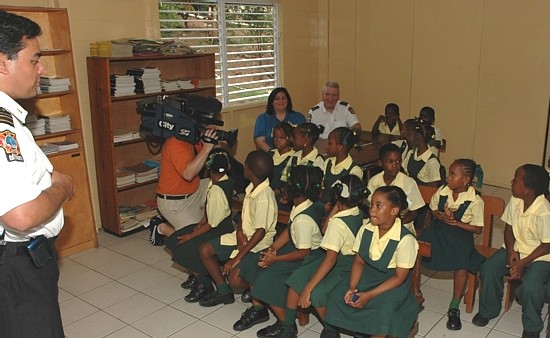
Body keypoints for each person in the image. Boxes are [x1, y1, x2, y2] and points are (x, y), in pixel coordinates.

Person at [0, 11, 76, 337]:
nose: (42, 69)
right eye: (35, 60)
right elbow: (20, 215)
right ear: (3, 63)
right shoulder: (3, 128)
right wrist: (63, 188)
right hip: (17, 267)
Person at [236, 166, 325, 337]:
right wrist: (273, 248)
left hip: (309, 259)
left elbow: (304, 253)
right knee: (257, 263)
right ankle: (259, 310)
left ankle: (287, 326)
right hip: (298, 250)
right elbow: (289, 229)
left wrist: (275, 260)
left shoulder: (303, 220)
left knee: (266, 278)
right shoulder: (303, 204)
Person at [324, 186, 419, 338]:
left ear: (394, 211)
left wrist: (369, 295)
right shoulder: (366, 229)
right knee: (337, 296)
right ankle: (359, 332)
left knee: (381, 311)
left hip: (391, 283)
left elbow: (399, 277)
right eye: (372, 204)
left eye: (378, 206)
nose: (372, 210)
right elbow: (359, 261)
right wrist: (352, 287)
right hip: (368, 276)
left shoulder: (405, 239)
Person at [281, 175, 366, 338]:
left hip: (343, 265)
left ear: (336, 196)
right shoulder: (358, 212)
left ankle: (330, 330)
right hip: (337, 258)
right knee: (298, 277)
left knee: (316, 294)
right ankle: (289, 326)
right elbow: (325, 229)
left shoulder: (338, 224)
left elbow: (331, 259)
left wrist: (307, 289)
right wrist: (338, 206)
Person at [472, 164, 550, 338]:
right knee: (488, 269)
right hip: (516, 248)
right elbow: (508, 228)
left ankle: (532, 326)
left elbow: (547, 245)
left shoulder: (544, 211)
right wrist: (510, 252)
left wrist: (522, 263)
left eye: (516, 180)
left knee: (531, 286)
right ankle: (489, 309)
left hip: (541, 256)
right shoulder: (515, 200)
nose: (511, 182)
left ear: (527, 190)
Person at [197, 150, 278, 308]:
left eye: (246, 165)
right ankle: (223, 291)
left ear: (252, 172)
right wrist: (240, 232)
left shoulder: (264, 196)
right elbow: (243, 214)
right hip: (243, 237)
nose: (244, 167)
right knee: (205, 249)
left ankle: (253, 284)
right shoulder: (251, 187)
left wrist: (238, 257)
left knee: (235, 282)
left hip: (258, 245)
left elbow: (260, 232)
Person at [419, 159, 485, 330]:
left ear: (466, 179)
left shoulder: (475, 200)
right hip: (438, 230)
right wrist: (440, 216)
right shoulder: (443, 190)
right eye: (449, 173)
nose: (448, 178)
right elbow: (433, 209)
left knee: (462, 264)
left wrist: (456, 223)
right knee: (416, 250)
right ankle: (413, 294)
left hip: (460, 236)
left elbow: (477, 229)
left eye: (452, 175)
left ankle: (454, 307)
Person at [162, 148, 236, 302]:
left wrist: (192, 235)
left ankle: (205, 284)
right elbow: (210, 214)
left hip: (219, 230)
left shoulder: (216, 190)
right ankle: (200, 277)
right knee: (177, 238)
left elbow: (212, 223)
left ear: (209, 168)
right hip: (216, 225)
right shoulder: (224, 180)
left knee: (185, 245)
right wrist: (199, 223)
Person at [149, 125, 218, 245]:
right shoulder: (175, 143)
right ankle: (161, 228)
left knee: (221, 188)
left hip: (194, 190)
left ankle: (200, 212)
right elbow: (188, 174)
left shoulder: (191, 137)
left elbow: (210, 157)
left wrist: (212, 140)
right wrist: (207, 148)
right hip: (175, 202)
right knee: (194, 241)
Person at [367, 143, 425, 235]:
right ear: (380, 163)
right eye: (390, 162)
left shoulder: (408, 183)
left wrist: (396, 225)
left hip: (402, 227)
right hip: (378, 225)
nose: (395, 165)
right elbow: (370, 206)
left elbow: (414, 212)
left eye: (398, 161)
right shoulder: (374, 182)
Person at [321, 127, 363, 208]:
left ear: (340, 147)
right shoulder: (328, 162)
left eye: (330, 143)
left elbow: (349, 200)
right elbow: (323, 188)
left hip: (339, 210)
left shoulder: (354, 170)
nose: (327, 147)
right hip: (323, 206)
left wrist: (332, 207)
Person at [254, 87, 306, 152]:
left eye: (283, 98)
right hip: (269, 155)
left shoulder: (299, 117)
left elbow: (304, 139)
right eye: (277, 99)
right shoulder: (262, 118)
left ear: (288, 100)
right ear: (272, 102)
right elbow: (259, 141)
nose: (281, 101)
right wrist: (273, 154)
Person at [401, 118, 442, 187]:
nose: (407, 138)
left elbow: (434, 189)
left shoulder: (432, 162)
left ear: (418, 137)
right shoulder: (411, 153)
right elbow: (403, 175)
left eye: (409, 135)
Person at [270, 122, 295, 210]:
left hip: (282, 194)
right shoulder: (270, 154)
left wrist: (280, 191)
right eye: (275, 138)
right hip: (268, 192)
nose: (278, 141)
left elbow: (291, 182)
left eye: (282, 138)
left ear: (290, 138)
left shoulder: (294, 157)